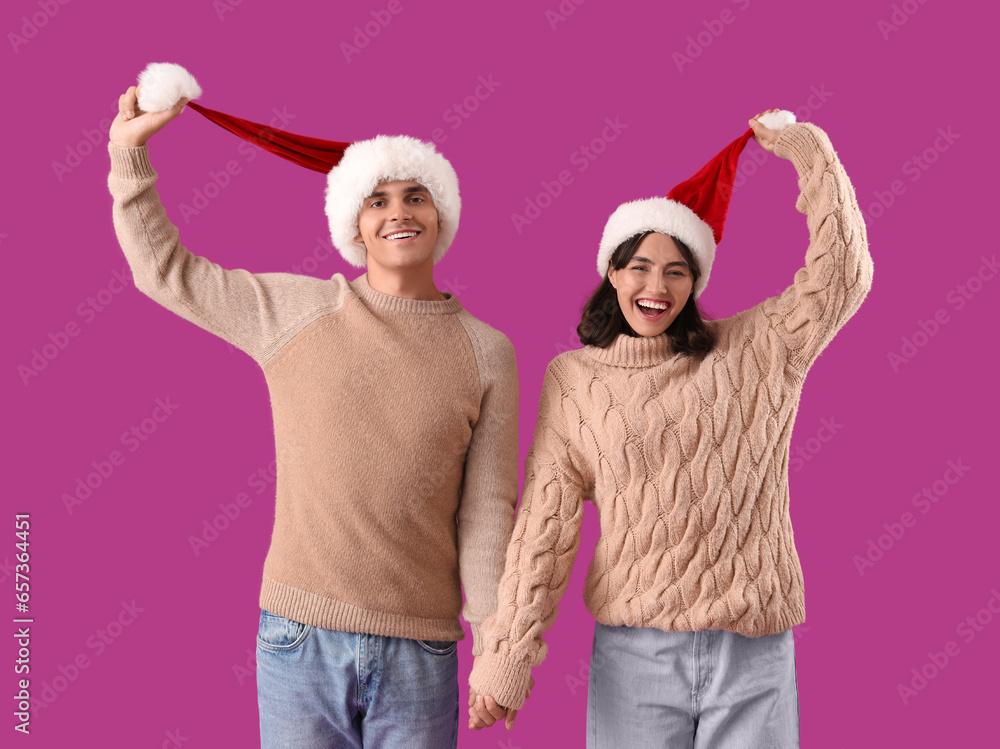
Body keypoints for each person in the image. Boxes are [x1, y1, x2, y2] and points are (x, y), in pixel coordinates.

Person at [107, 74, 520, 748]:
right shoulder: (298, 312)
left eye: (417, 195)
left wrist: (499, 644)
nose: (399, 211)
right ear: (353, 224)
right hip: (298, 640)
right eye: (377, 199)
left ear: (442, 213)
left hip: (422, 652)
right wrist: (130, 158)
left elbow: (486, 511)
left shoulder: (487, 353)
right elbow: (167, 273)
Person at [467, 109, 874, 747]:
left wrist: (809, 151)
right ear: (612, 273)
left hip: (753, 654)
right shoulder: (574, 381)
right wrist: (504, 658)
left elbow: (842, 278)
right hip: (635, 658)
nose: (655, 286)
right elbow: (545, 526)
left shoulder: (757, 349)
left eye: (676, 271)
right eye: (639, 266)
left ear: (694, 282)